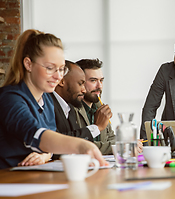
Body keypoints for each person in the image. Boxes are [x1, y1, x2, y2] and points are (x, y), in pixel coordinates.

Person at [0, 29, 107, 169]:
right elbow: (36, 134)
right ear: (28, 64)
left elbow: (50, 141)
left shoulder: (47, 100)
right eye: (50, 68)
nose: (58, 76)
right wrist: (81, 145)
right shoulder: (10, 98)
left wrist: (46, 154)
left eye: (62, 69)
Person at [53, 60, 143, 154]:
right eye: (93, 80)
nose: (99, 86)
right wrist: (121, 147)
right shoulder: (70, 107)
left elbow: (110, 138)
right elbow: (79, 143)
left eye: (101, 80)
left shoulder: (100, 107)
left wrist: (127, 142)